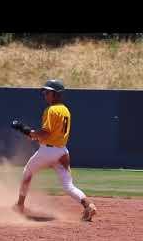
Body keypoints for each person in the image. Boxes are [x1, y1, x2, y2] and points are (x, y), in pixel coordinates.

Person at [14, 79, 97, 221]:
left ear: (56, 94)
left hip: (47, 151)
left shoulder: (50, 110)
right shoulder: (66, 110)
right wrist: (36, 135)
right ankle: (88, 205)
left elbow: (46, 133)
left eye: (47, 92)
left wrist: (33, 133)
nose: (45, 95)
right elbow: (53, 134)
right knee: (68, 186)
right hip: (62, 152)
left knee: (27, 173)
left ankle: (19, 206)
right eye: (44, 92)